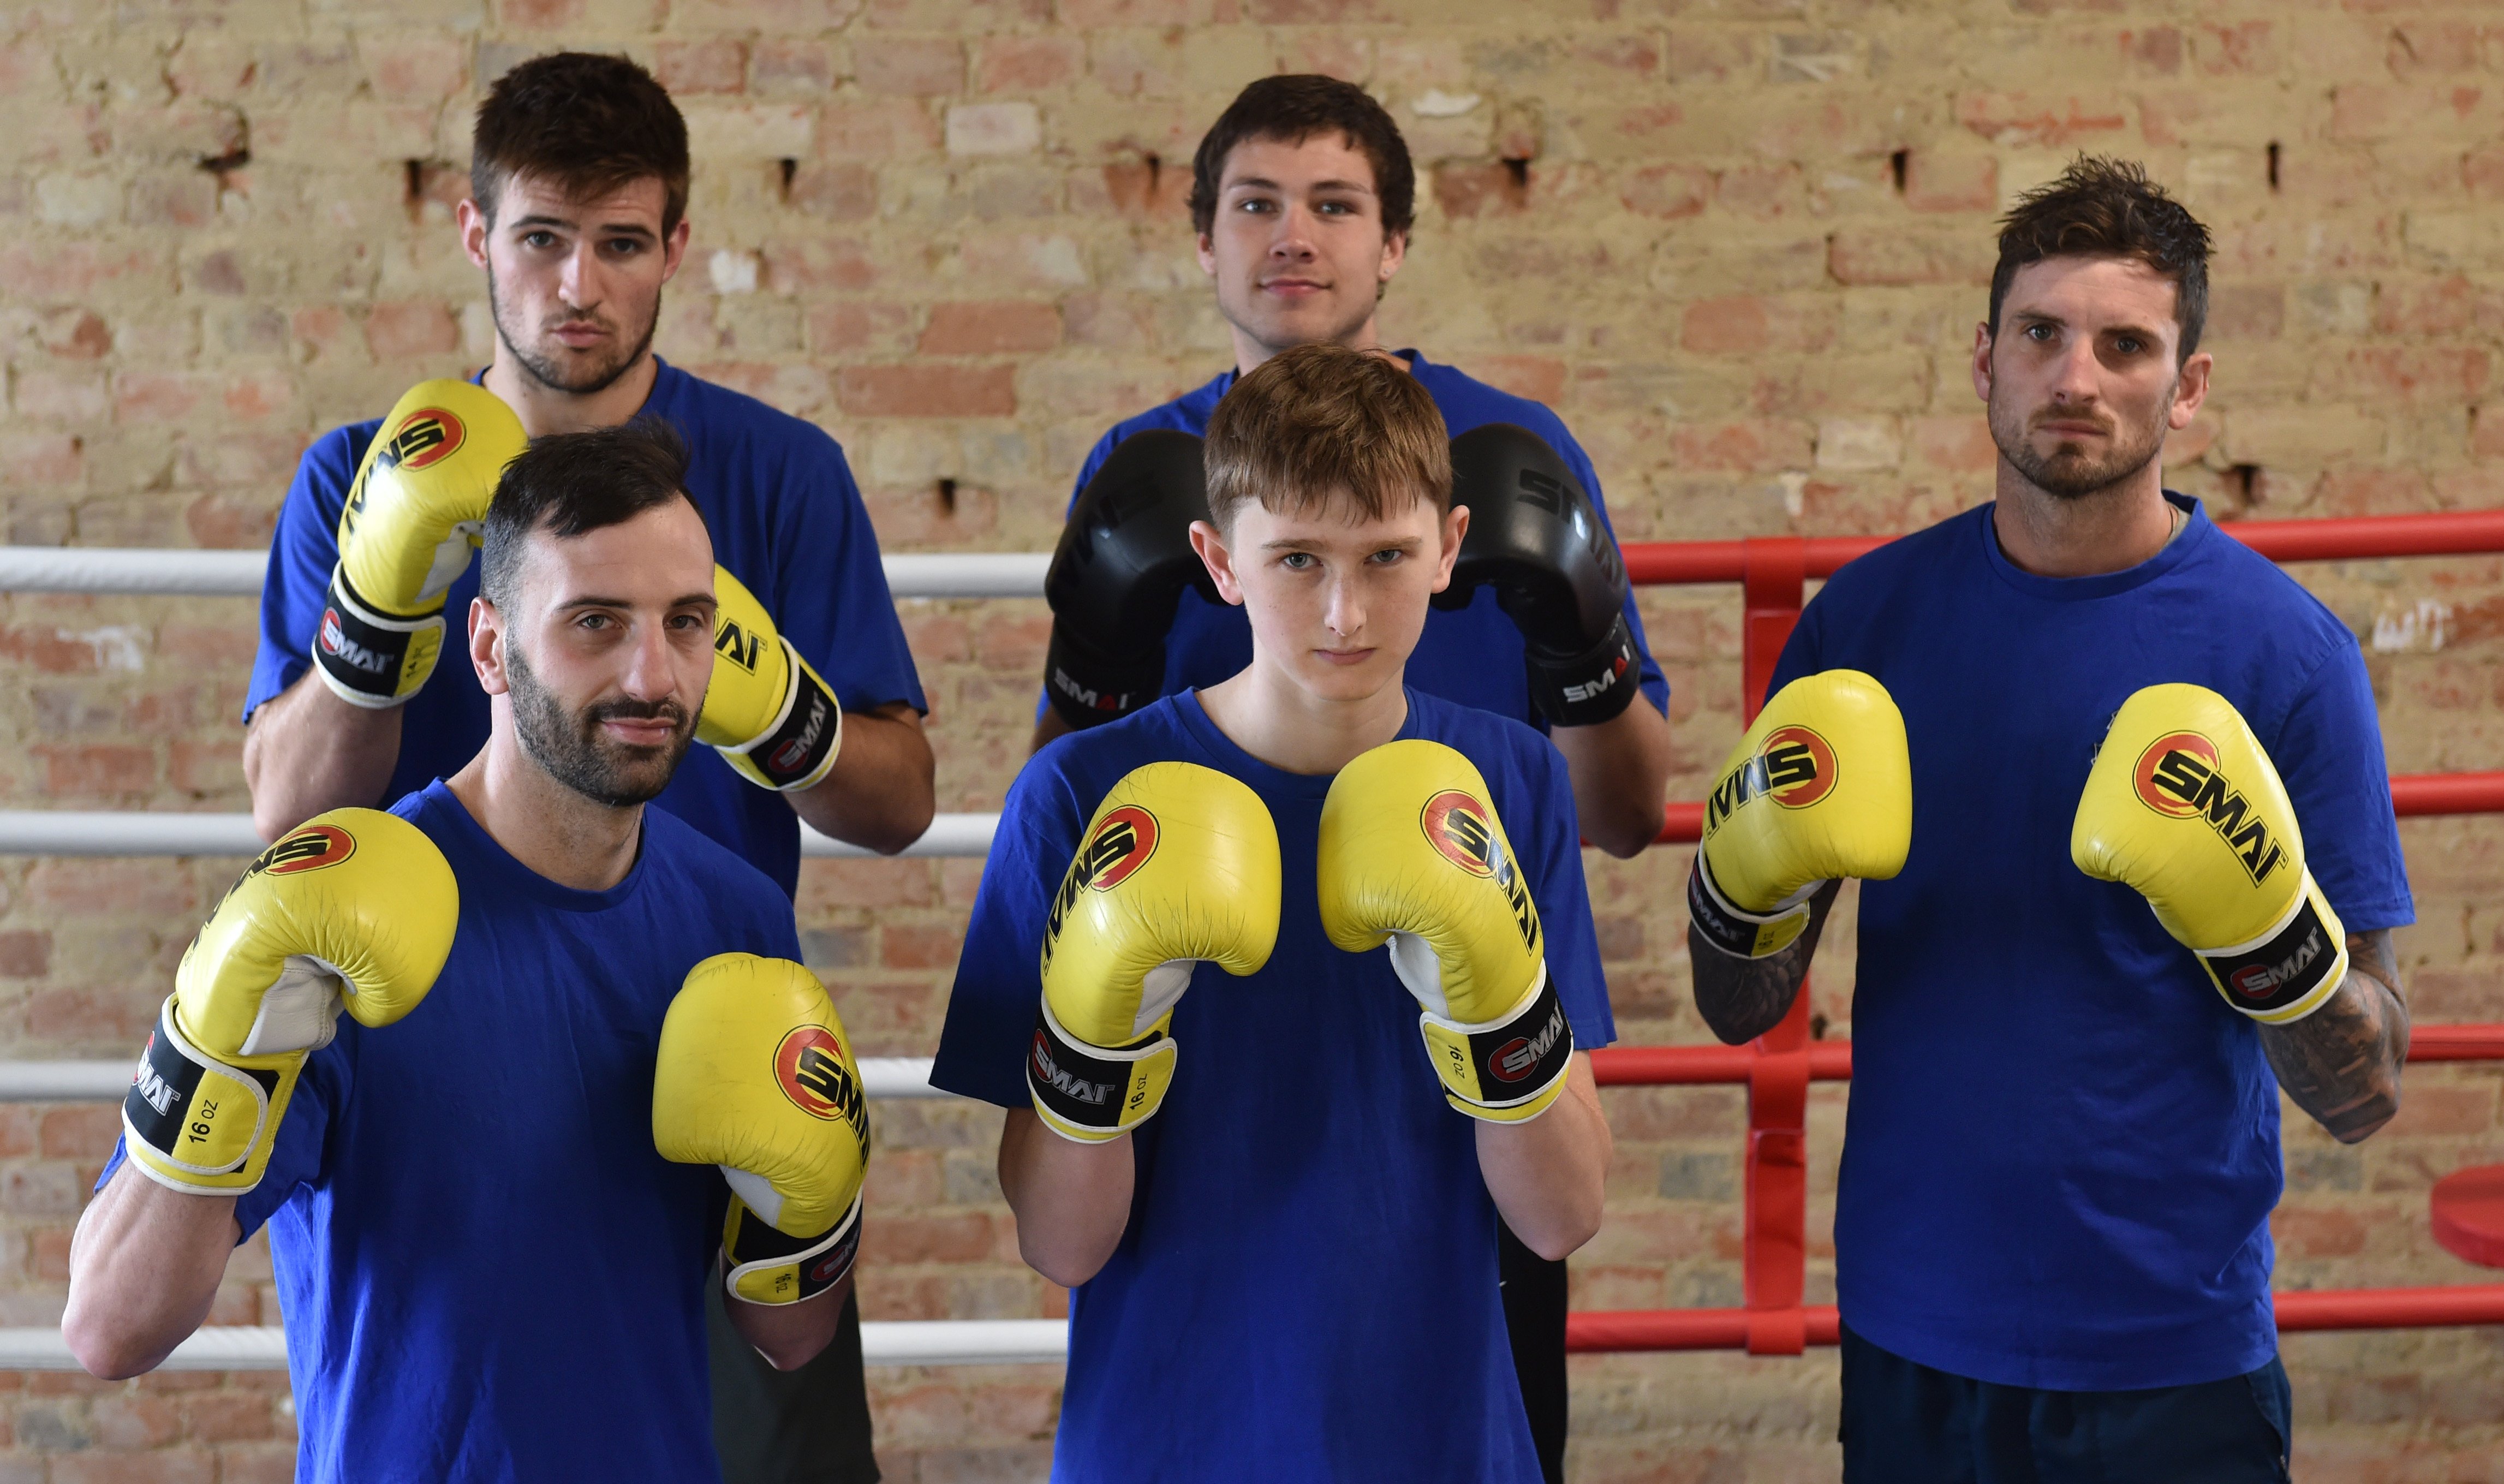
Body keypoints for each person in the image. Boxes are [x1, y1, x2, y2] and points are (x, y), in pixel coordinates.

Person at [234, 52, 926, 1482]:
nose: (577, 288)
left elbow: (896, 801)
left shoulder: (778, 475)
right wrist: (376, 617)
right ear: (479, 237)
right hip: (433, 1069)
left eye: (620, 245)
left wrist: (774, 707)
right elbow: (291, 813)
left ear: (675, 248)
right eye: (541, 239)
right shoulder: (361, 472)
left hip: (715, 1035)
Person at [1687, 157, 2413, 1481]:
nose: (2074, 377)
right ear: (1984, 360)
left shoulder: (2283, 655)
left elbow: (2364, 1090)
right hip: (1915, 1325)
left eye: (2124, 344)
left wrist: (2265, 932)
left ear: (2185, 389)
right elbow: (1738, 1008)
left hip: (2170, 1343)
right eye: (2040, 334)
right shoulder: (1864, 626)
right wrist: (1743, 884)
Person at [1028, 74, 1668, 1477]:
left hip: (1439, 1153)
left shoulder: (1512, 475)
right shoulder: (1144, 475)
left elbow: (1624, 809)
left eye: (1334, 204)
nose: (1338, 613)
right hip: (1198, 1159)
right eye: (1255, 204)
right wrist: (1097, 1020)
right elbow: (1067, 801)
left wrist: (1578, 647)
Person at [63, 422, 873, 1483]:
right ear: (489, 645)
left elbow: (786, 1337)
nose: (653, 672)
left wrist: (821, 1197)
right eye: (595, 623)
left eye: (687, 623)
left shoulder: (736, 913)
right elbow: (108, 1327)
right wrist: (218, 1043)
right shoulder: (340, 911)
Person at [934, 343, 1614, 1481]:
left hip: (1435, 1435)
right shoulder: (1077, 796)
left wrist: (1492, 1003)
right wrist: (1105, 1032)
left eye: (1385, 556)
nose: (1344, 609)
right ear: (1217, 560)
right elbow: (1059, 1241)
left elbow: (1560, 1217)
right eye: (1296, 557)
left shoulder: (1506, 779)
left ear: (1449, 549)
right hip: (1165, 1434)